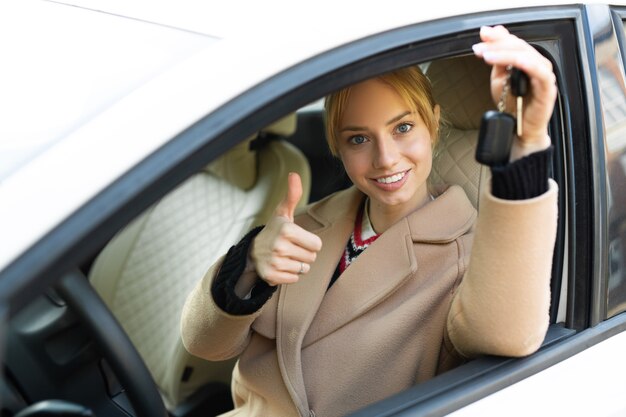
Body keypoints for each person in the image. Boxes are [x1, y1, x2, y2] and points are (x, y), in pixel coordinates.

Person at [181, 25, 558, 417]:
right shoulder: (305, 223)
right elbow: (202, 343)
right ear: (337, 146)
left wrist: (527, 143)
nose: (386, 158)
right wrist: (250, 264)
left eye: (403, 128)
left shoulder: (469, 256)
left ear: (433, 123)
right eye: (358, 139)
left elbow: (508, 334)